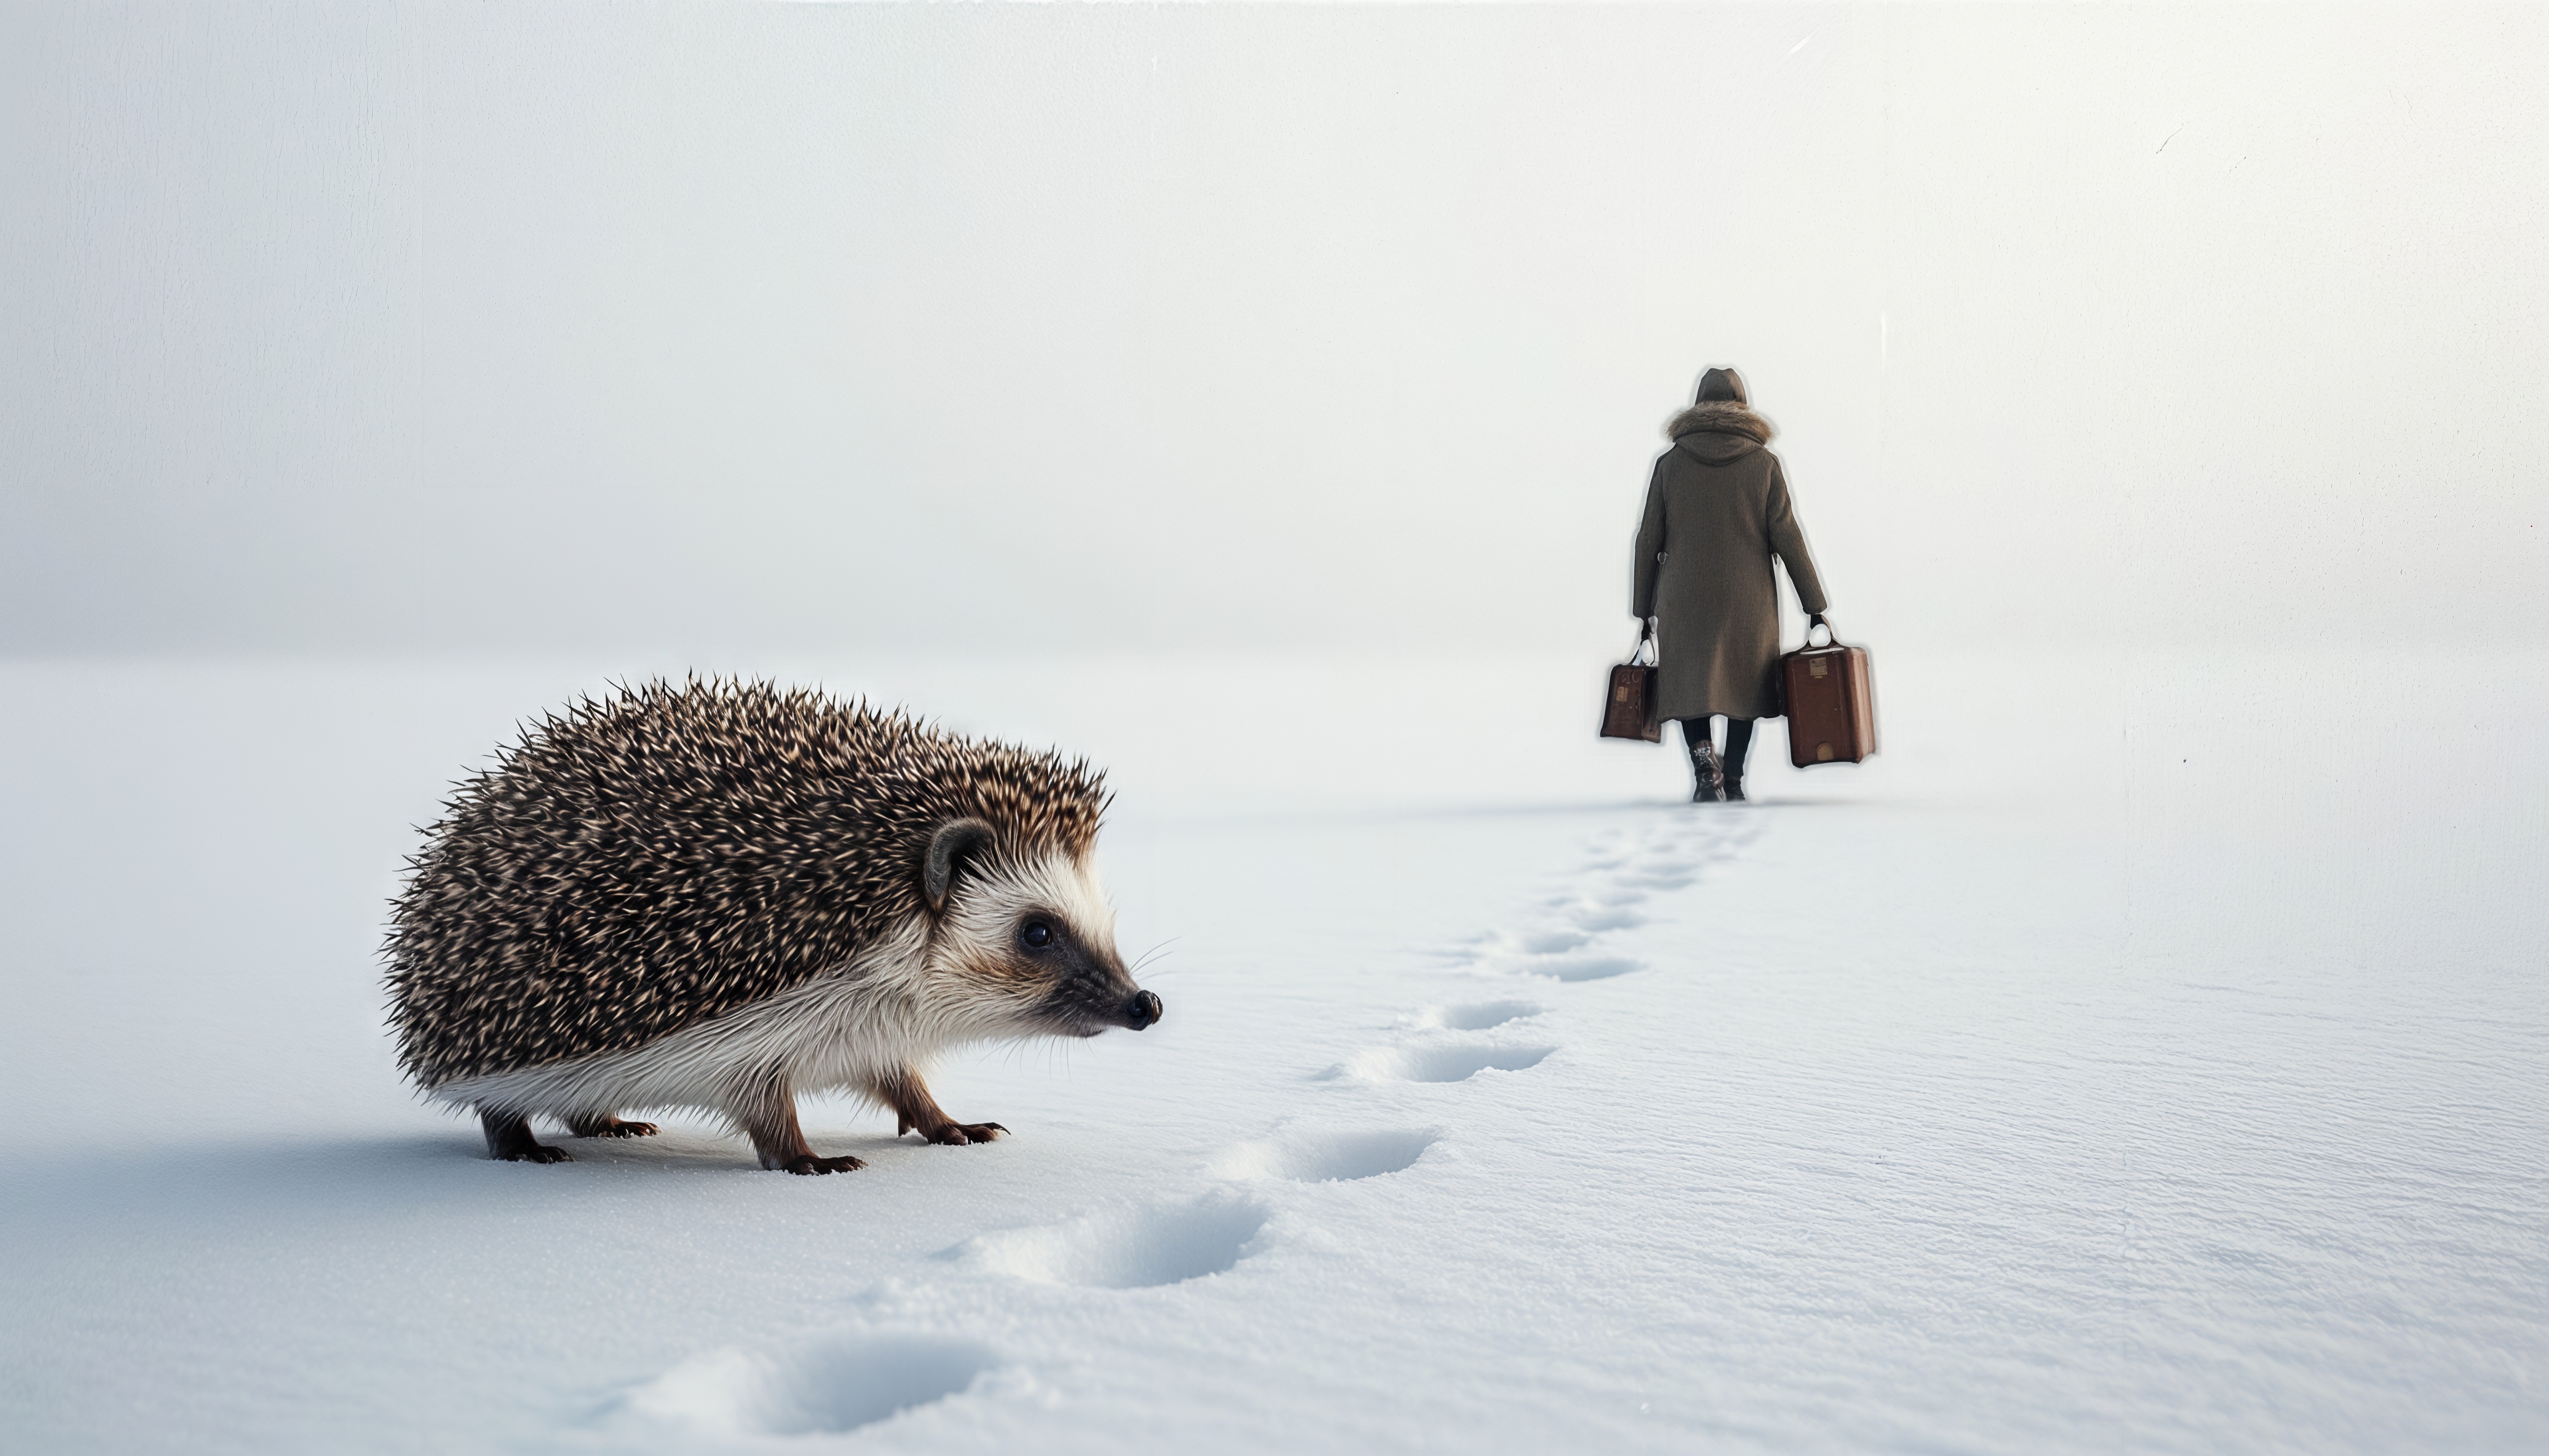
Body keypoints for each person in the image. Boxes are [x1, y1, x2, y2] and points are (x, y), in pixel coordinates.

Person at [1630, 366, 1831, 802]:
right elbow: (1788, 537)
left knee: (1689, 683)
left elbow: (1648, 539)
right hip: (1749, 599)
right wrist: (1813, 604)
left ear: (1698, 405)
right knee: (1747, 686)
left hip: (1683, 597)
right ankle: (1734, 778)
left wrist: (1643, 607)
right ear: (1743, 406)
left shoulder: (1670, 465)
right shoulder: (1764, 465)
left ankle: (1707, 771)